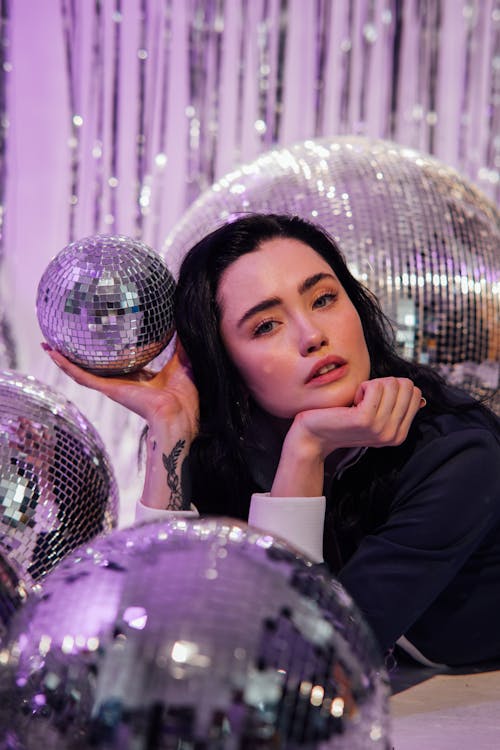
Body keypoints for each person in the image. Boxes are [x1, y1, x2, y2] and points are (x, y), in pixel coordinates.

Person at [43, 213, 500, 668]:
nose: (313, 336)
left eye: (323, 299)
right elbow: (153, 638)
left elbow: (296, 665)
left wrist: (305, 448)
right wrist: (170, 427)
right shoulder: (227, 450)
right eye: (266, 326)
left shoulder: (456, 455)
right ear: (227, 365)